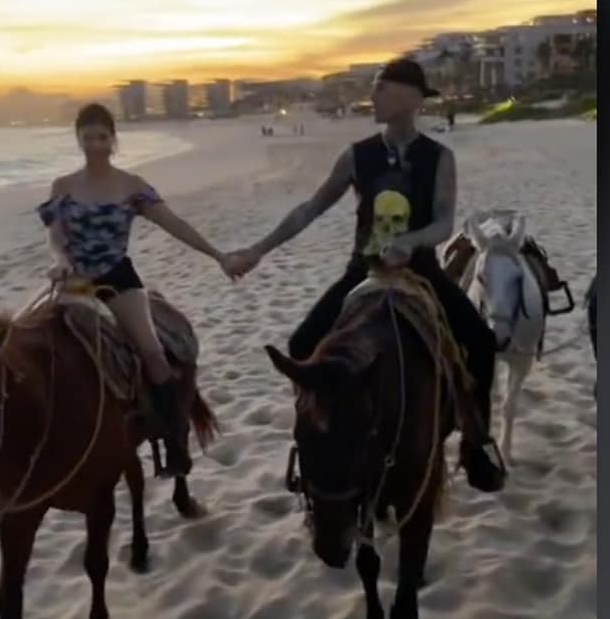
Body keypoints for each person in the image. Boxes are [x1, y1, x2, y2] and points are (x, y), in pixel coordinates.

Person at [225, 59, 505, 493]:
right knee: (302, 345)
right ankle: (314, 444)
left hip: (421, 271)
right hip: (364, 269)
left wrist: (410, 243)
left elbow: (444, 224)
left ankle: (475, 442)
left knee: (481, 343)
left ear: (411, 98)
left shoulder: (439, 157)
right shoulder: (357, 155)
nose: (372, 97)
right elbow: (310, 209)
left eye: (381, 89)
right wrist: (259, 250)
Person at [38, 102, 234, 478]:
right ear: (77, 140)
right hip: (76, 278)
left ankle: (176, 443)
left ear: (114, 139)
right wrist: (61, 260)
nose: (95, 145)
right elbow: (55, 237)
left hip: (119, 277)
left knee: (152, 353)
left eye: (102, 137)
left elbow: (174, 224)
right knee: (33, 340)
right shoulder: (63, 187)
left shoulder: (133, 187)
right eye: (87, 138)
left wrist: (217, 255)